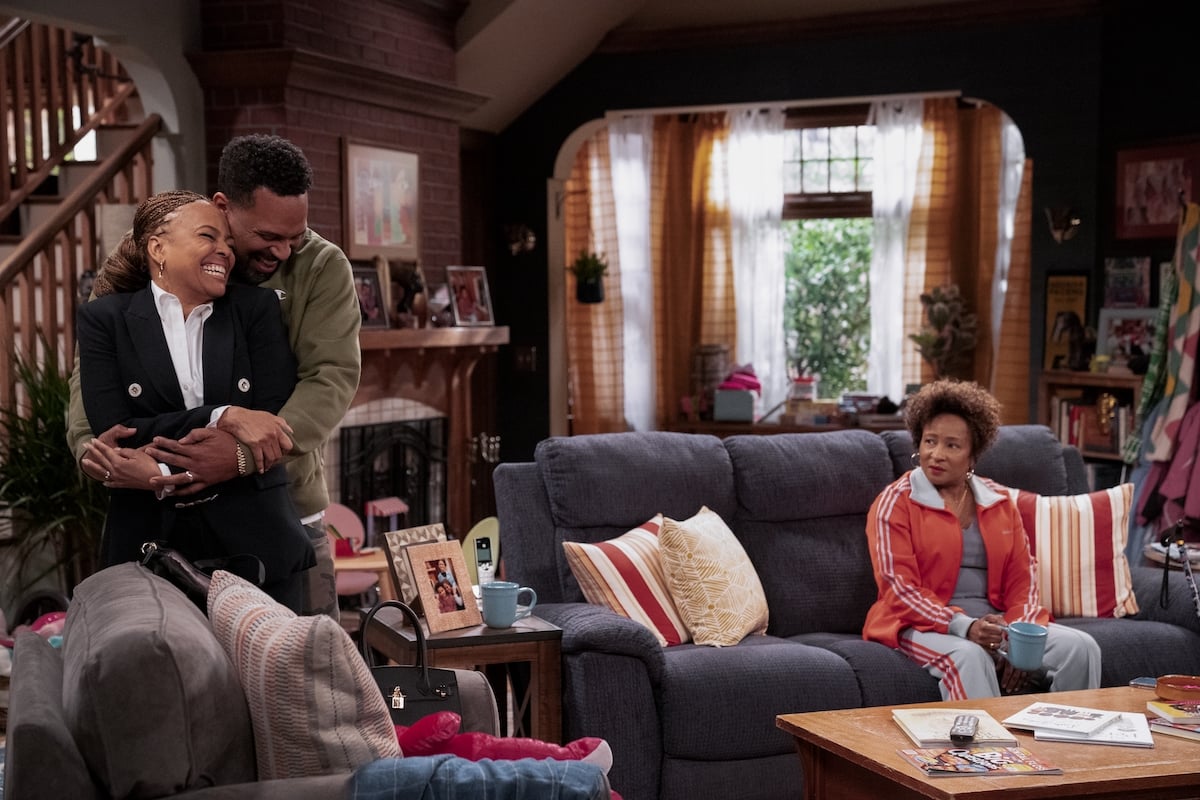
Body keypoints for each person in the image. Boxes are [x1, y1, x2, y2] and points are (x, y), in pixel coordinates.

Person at [68, 134, 361, 619]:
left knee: (306, 658)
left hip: (284, 506)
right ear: (224, 207)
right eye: (267, 236)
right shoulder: (153, 252)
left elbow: (330, 379)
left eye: (294, 237)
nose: (283, 252)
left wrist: (243, 456)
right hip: (162, 517)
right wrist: (93, 451)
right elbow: (92, 373)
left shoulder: (321, 266)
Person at [862, 379, 1101, 700]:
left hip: (994, 627)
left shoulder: (999, 501)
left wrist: (1019, 637)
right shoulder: (895, 503)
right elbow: (900, 590)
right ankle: (983, 736)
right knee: (970, 657)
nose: (936, 454)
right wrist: (964, 626)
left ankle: (1065, 733)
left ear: (973, 456)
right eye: (930, 441)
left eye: (952, 445)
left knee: (1082, 648)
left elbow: (1024, 580)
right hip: (915, 625)